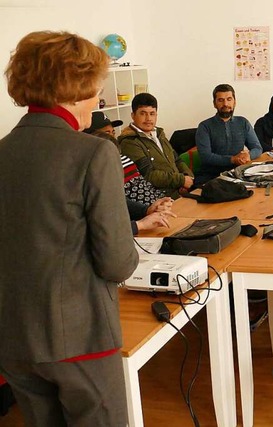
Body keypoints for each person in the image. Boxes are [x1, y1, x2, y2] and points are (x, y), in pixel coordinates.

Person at [0, 31, 139, 426]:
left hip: (14, 338)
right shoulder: (94, 152)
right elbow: (116, 262)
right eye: (95, 88)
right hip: (79, 339)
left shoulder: (2, 152)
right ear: (76, 87)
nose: (97, 98)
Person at [119, 93, 194, 199]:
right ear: (133, 115)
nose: (148, 118)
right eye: (143, 113)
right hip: (159, 199)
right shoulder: (130, 142)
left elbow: (177, 160)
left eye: (152, 113)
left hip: (178, 191)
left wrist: (187, 176)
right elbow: (148, 175)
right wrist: (181, 180)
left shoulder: (159, 134)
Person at [195, 83, 262, 185]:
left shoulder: (243, 122)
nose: (225, 104)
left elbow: (257, 148)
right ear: (214, 104)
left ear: (235, 102)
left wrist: (249, 155)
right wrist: (232, 159)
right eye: (221, 100)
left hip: (238, 173)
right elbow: (206, 157)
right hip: (211, 175)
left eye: (229, 99)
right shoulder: (204, 126)